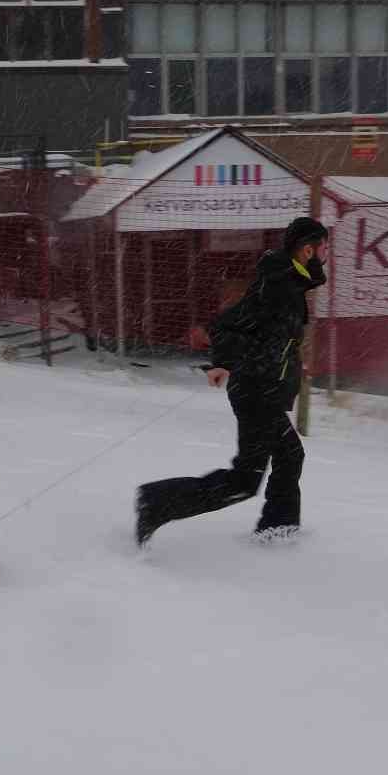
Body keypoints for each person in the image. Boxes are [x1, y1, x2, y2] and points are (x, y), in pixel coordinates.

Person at [135, 216, 329, 548]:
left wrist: (287, 363)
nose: (328, 253)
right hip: (256, 393)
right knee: (244, 480)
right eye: (325, 246)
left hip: (265, 390)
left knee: (290, 455)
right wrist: (224, 363)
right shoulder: (277, 284)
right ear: (308, 250)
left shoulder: (290, 282)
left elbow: (271, 338)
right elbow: (228, 325)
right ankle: (157, 503)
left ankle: (278, 527)